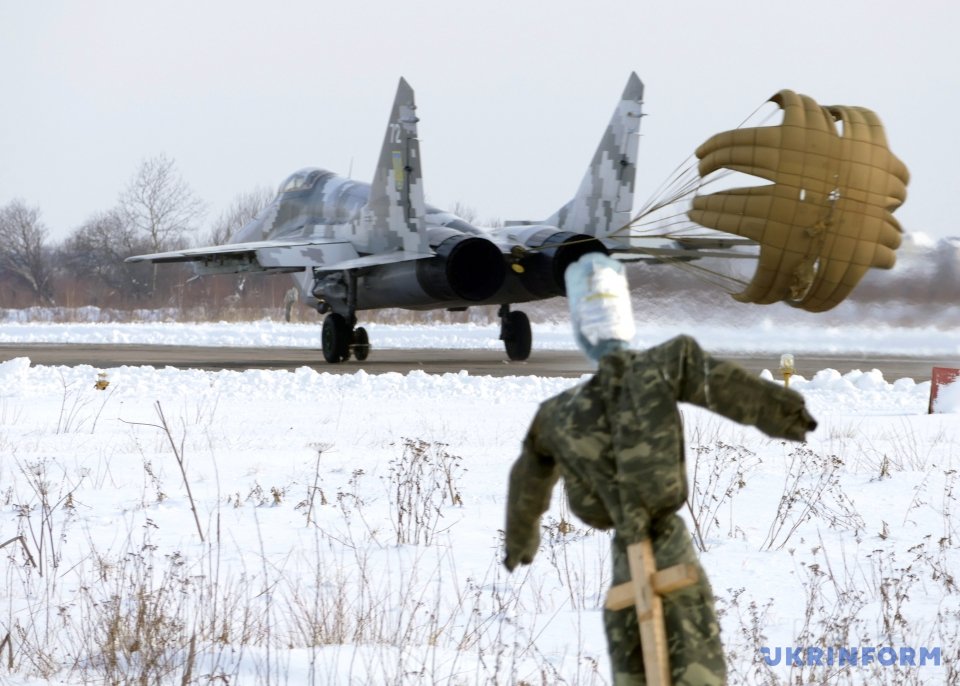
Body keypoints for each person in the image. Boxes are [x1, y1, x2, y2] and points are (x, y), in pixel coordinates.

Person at [503, 254, 817, 685]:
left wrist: (522, 537)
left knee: (632, 655)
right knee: (693, 652)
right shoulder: (665, 365)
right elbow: (720, 383)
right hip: (668, 545)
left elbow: (529, 473)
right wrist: (784, 411)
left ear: (581, 330)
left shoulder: (558, 413)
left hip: (624, 560)